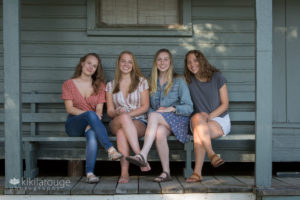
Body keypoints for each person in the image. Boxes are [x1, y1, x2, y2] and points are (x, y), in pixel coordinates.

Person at [126, 49, 193, 182]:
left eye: (166, 59)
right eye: (159, 59)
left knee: (154, 116)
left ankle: (143, 154)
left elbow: (189, 107)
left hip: (178, 120)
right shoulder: (150, 82)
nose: (162, 62)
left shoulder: (179, 81)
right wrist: (156, 114)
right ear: (155, 62)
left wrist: (171, 108)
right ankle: (166, 172)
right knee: (160, 133)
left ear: (170, 62)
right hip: (160, 122)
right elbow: (149, 107)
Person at [61, 53, 122, 184]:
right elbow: (69, 109)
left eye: (94, 66)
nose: (91, 67)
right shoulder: (69, 84)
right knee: (90, 114)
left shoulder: (99, 86)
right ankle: (111, 149)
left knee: (92, 133)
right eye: (89, 63)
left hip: (92, 123)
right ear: (82, 63)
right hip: (74, 124)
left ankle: (90, 173)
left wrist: (92, 120)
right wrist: (89, 117)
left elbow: (99, 110)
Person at [183, 50, 231, 183]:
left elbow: (225, 104)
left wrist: (209, 116)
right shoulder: (188, 81)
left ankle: (197, 173)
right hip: (199, 119)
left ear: (202, 61)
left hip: (218, 118)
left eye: (195, 60)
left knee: (199, 130)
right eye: (189, 62)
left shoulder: (217, 77)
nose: (192, 64)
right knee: (198, 120)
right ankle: (211, 154)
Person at [106, 51, 150, 184]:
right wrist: (117, 112)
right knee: (121, 125)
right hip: (117, 121)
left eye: (129, 61)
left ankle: (124, 172)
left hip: (139, 121)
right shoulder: (110, 85)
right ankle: (139, 155)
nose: (126, 64)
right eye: (123, 61)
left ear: (133, 65)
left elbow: (145, 107)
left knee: (121, 133)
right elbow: (109, 111)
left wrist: (127, 115)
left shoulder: (142, 82)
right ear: (118, 63)